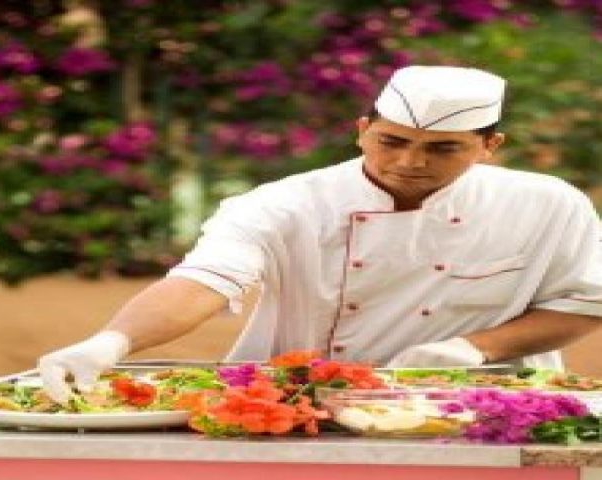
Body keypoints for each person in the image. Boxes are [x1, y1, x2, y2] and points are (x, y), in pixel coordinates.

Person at [38, 65, 602, 404]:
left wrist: (473, 348)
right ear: (362, 130)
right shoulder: (286, 203)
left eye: (442, 149)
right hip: (296, 404)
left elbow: (584, 303)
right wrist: (111, 343)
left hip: (479, 407)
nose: (409, 162)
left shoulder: (547, 205)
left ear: (489, 146)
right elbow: (204, 280)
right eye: (391, 141)